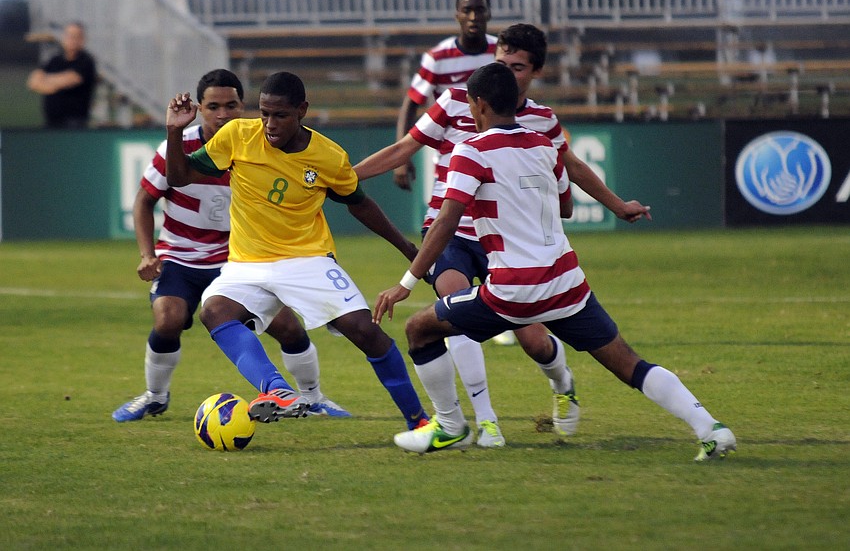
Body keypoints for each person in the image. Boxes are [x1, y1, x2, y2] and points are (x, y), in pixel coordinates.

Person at [375, 62, 736, 462]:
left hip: (513, 290)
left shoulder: (471, 151)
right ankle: (711, 428)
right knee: (629, 363)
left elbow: (446, 220)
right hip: (567, 285)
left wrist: (405, 283)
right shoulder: (544, 144)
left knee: (419, 329)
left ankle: (451, 426)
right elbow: (565, 205)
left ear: (478, 105)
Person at [355, 23, 652, 447]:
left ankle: (562, 380)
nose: (507, 73)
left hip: (509, 241)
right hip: (451, 229)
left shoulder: (542, 119)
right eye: (502, 63)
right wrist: (345, 176)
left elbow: (573, 168)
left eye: (517, 67)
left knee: (534, 341)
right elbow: (404, 148)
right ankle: (484, 421)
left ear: (533, 73)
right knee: (448, 305)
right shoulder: (458, 98)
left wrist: (617, 204)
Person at [164, 70, 429, 430]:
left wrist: (408, 248)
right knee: (214, 311)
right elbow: (179, 177)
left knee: (365, 331)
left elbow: (359, 203)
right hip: (248, 262)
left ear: (302, 110)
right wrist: (175, 131)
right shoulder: (238, 136)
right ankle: (278, 391)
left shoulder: (328, 156)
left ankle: (420, 421)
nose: (269, 124)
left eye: (280, 115)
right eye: (264, 114)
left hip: (307, 258)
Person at [113, 69, 349, 422]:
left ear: (243, 106)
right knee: (168, 318)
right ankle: (154, 395)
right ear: (200, 109)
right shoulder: (179, 148)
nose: (222, 114)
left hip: (239, 260)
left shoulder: (258, 143)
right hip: (180, 255)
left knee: (287, 326)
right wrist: (147, 254)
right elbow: (144, 200)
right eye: (213, 106)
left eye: (231, 105)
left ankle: (312, 397)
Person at [393, 0, 496, 191]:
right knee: (446, 216)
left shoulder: (500, 54)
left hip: (494, 150)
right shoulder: (438, 58)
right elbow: (411, 103)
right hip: (451, 152)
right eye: (467, 10)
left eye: (479, 10)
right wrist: (402, 159)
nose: (474, 17)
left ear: (489, 14)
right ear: (457, 15)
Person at [26, 22, 97, 129]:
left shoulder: (86, 61)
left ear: (82, 39)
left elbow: (72, 79)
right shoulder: (54, 60)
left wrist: (46, 80)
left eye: (76, 36)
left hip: (75, 122)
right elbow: (33, 82)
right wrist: (52, 85)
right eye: (69, 36)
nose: (72, 40)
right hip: (51, 121)